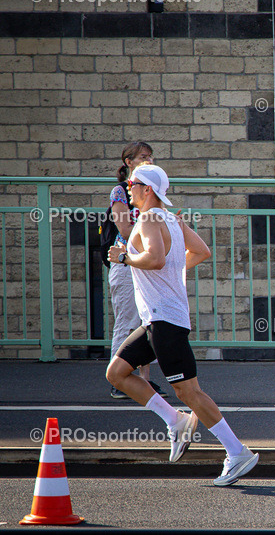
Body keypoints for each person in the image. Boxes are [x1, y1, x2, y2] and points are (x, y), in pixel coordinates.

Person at [105, 164, 258, 486]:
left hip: (164, 319)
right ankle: (175, 421)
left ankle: (237, 451)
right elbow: (200, 252)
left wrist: (124, 259)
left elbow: (155, 259)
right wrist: (171, 273)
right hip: (155, 318)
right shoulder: (172, 219)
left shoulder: (147, 219)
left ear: (147, 190)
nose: (128, 187)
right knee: (117, 373)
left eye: (132, 183)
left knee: (188, 390)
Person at [106, 142, 167, 400]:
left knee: (145, 320)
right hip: (126, 261)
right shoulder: (121, 192)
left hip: (142, 260)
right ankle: (118, 380)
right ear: (128, 162)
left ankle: (143, 382)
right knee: (126, 320)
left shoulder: (150, 194)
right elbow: (124, 229)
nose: (149, 160)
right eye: (143, 157)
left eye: (151, 156)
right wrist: (150, 230)